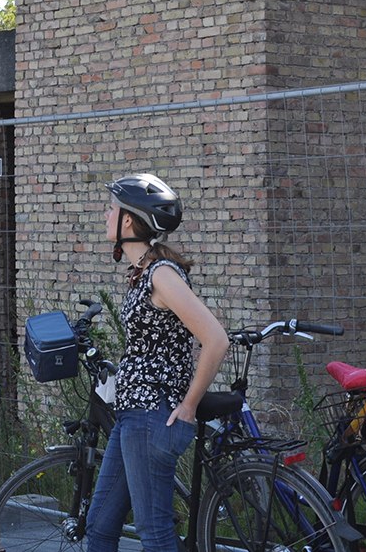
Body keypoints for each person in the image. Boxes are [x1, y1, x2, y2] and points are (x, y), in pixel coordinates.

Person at [83, 173, 229, 552]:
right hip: (134, 415)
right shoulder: (145, 272)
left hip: (152, 416)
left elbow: (215, 339)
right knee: (99, 526)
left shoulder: (162, 275)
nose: (105, 214)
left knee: (156, 534)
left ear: (128, 220)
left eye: (111, 208)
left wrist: (189, 405)